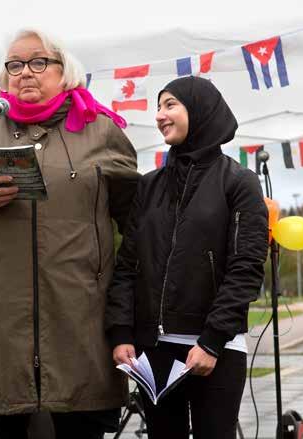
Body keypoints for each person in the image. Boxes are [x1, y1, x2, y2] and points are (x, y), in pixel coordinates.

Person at [0, 29, 140, 439]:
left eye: (39, 62)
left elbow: (139, 228)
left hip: (78, 327)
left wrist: (131, 312)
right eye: (15, 65)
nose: (26, 72)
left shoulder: (102, 132)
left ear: (64, 71)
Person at [105, 76, 269, 439]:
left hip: (214, 349)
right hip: (153, 350)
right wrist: (120, 332)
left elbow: (246, 268)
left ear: (200, 110)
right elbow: (128, 264)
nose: (160, 115)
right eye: (158, 107)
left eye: (170, 105)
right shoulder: (148, 185)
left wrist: (211, 341)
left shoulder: (239, 182)